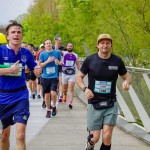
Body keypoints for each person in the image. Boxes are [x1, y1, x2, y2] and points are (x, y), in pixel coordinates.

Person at [76, 33, 132, 150]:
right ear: (97, 45)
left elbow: (128, 76)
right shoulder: (90, 60)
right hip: (94, 102)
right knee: (94, 138)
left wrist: (127, 82)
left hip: (110, 103)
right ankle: (89, 145)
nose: (105, 45)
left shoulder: (117, 61)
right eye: (102, 43)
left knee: (107, 136)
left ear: (111, 45)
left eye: (107, 43)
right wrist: (85, 89)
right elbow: (78, 77)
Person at [0, 20, 42, 150]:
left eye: (19, 32)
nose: (16, 35)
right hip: (3, 97)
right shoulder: (1, 51)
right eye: (13, 32)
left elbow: (35, 69)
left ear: (22, 35)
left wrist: (38, 71)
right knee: (5, 136)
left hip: (20, 96)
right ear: (7, 36)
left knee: (20, 135)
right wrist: (9, 70)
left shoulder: (26, 53)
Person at [39, 39, 62, 118]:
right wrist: (48, 61)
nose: (48, 44)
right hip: (45, 77)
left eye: (49, 43)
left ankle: (54, 106)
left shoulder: (56, 52)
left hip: (54, 77)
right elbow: (40, 65)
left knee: (53, 93)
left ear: (51, 44)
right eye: (47, 43)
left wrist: (58, 62)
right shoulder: (42, 54)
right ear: (45, 45)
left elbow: (61, 61)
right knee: (47, 94)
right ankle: (48, 110)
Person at [61, 42, 80, 109]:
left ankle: (70, 102)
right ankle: (65, 94)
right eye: (68, 46)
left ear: (72, 47)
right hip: (64, 73)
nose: (70, 47)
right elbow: (57, 50)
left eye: (71, 46)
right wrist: (56, 42)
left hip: (72, 73)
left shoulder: (75, 55)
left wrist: (80, 72)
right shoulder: (64, 53)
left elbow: (77, 64)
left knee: (71, 89)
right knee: (64, 89)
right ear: (66, 47)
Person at [53, 36, 66, 102]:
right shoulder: (52, 47)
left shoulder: (63, 48)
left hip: (61, 67)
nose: (59, 41)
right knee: (56, 82)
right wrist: (55, 46)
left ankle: (61, 95)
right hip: (54, 67)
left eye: (60, 40)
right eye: (57, 40)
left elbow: (64, 54)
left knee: (61, 81)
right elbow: (53, 52)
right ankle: (56, 92)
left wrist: (59, 50)